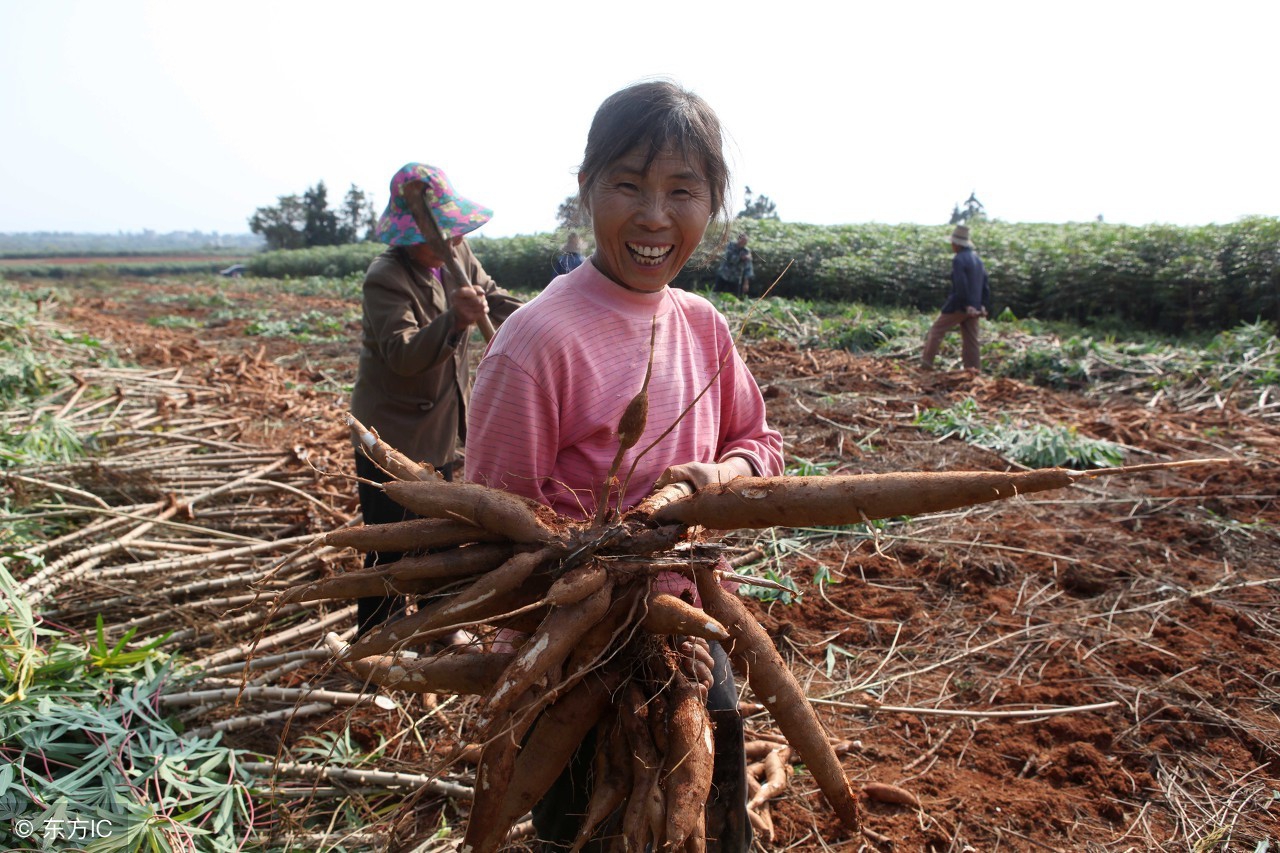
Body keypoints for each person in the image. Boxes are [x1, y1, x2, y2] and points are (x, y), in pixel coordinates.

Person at [465, 80, 783, 852]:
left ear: (712, 204)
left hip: (693, 632)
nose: (654, 216)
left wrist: (719, 476)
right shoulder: (537, 343)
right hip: (576, 657)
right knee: (581, 831)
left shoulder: (704, 325)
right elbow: (494, 539)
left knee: (714, 818)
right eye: (629, 185)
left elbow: (761, 444)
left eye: (683, 191)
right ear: (585, 190)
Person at [348, 162, 522, 638]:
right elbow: (403, 355)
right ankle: (376, 636)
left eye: (452, 232)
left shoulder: (457, 254)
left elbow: (492, 297)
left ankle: (435, 625)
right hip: (391, 434)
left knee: (438, 532)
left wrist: (541, 320)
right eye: (437, 234)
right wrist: (454, 321)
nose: (448, 241)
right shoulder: (386, 277)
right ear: (408, 236)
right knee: (391, 540)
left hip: (443, 424)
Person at [922, 223, 992, 372]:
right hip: (976, 306)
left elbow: (961, 284)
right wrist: (982, 305)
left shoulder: (959, 259)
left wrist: (966, 305)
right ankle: (973, 370)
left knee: (936, 330)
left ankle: (926, 365)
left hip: (960, 305)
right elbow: (985, 284)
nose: (951, 245)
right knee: (971, 339)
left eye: (952, 243)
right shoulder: (977, 260)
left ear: (957, 244)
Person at [713, 231, 753, 297]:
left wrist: (746, 283)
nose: (744, 242)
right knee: (716, 294)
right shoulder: (730, 245)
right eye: (743, 239)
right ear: (738, 239)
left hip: (736, 278)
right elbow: (729, 257)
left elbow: (748, 268)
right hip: (724, 274)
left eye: (746, 240)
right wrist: (741, 258)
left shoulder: (746, 251)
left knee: (734, 297)